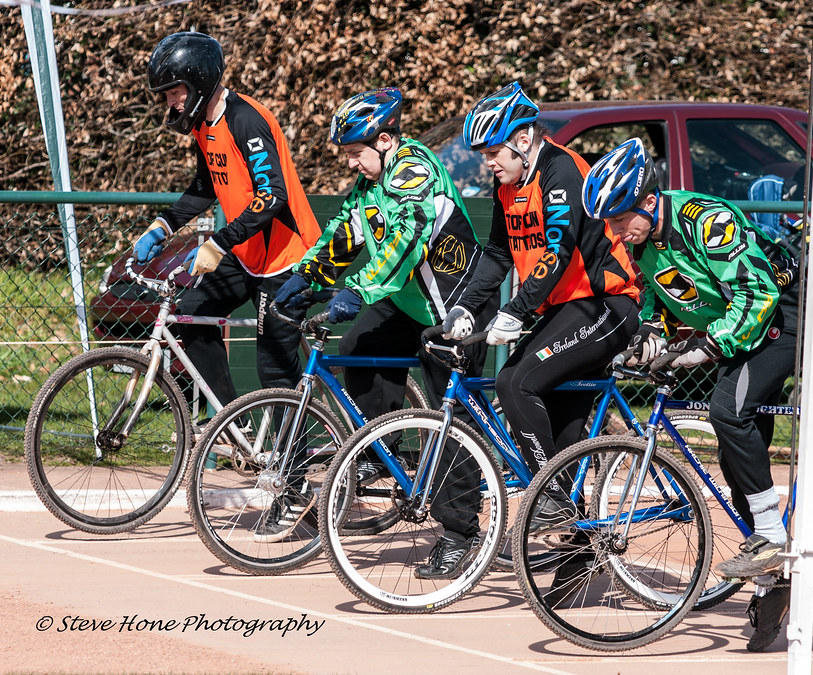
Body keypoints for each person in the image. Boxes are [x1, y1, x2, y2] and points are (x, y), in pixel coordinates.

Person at [582, 137, 800, 652]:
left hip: (782, 319)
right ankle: (774, 580)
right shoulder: (645, 242)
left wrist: (707, 346)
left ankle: (774, 539)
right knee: (736, 461)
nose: (616, 231)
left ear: (649, 201)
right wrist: (651, 334)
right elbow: (663, 298)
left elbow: (759, 292)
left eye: (620, 219)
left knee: (727, 410)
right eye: (610, 223)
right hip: (742, 331)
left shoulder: (706, 221)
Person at [275, 87, 495, 577]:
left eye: (356, 152)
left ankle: (460, 534)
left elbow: (407, 237)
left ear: (386, 140)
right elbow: (345, 232)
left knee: (452, 419)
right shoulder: (370, 184)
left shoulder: (415, 169)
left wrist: (359, 289)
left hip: (456, 306)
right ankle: (381, 449)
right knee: (359, 346)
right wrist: (307, 277)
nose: (351, 163)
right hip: (408, 301)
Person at [442, 82, 642, 604]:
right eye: (484, 155)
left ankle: (548, 497)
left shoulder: (562, 171)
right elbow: (496, 252)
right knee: (565, 434)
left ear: (525, 139)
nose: (488, 163)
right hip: (562, 309)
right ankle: (581, 554)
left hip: (605, 305)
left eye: (494, 152)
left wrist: (516, 309)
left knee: (516, 381)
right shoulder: (508, 186)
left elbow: (557, 250)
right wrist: (465, 307)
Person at [135, 32, 322, 542]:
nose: (171, 102)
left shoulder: (246, 121)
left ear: (198, 81)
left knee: (275, 368)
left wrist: (218, 241)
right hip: (246, 252)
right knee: (191, 317)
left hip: (286, 257)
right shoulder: (203, 125)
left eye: (175, 91)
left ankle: (296, 489)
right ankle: (236, 429)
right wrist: (162, 225)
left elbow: (272, 196)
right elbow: (206, 186)